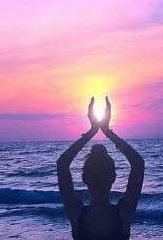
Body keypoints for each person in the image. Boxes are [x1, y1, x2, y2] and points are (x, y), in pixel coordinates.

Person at [57, 96, 145, 239]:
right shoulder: (123, 214)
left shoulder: (77, 213)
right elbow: (138, 164)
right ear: (113, 177)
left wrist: (92, 131)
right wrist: (107, 131)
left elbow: (62, 164)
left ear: (84, 178)